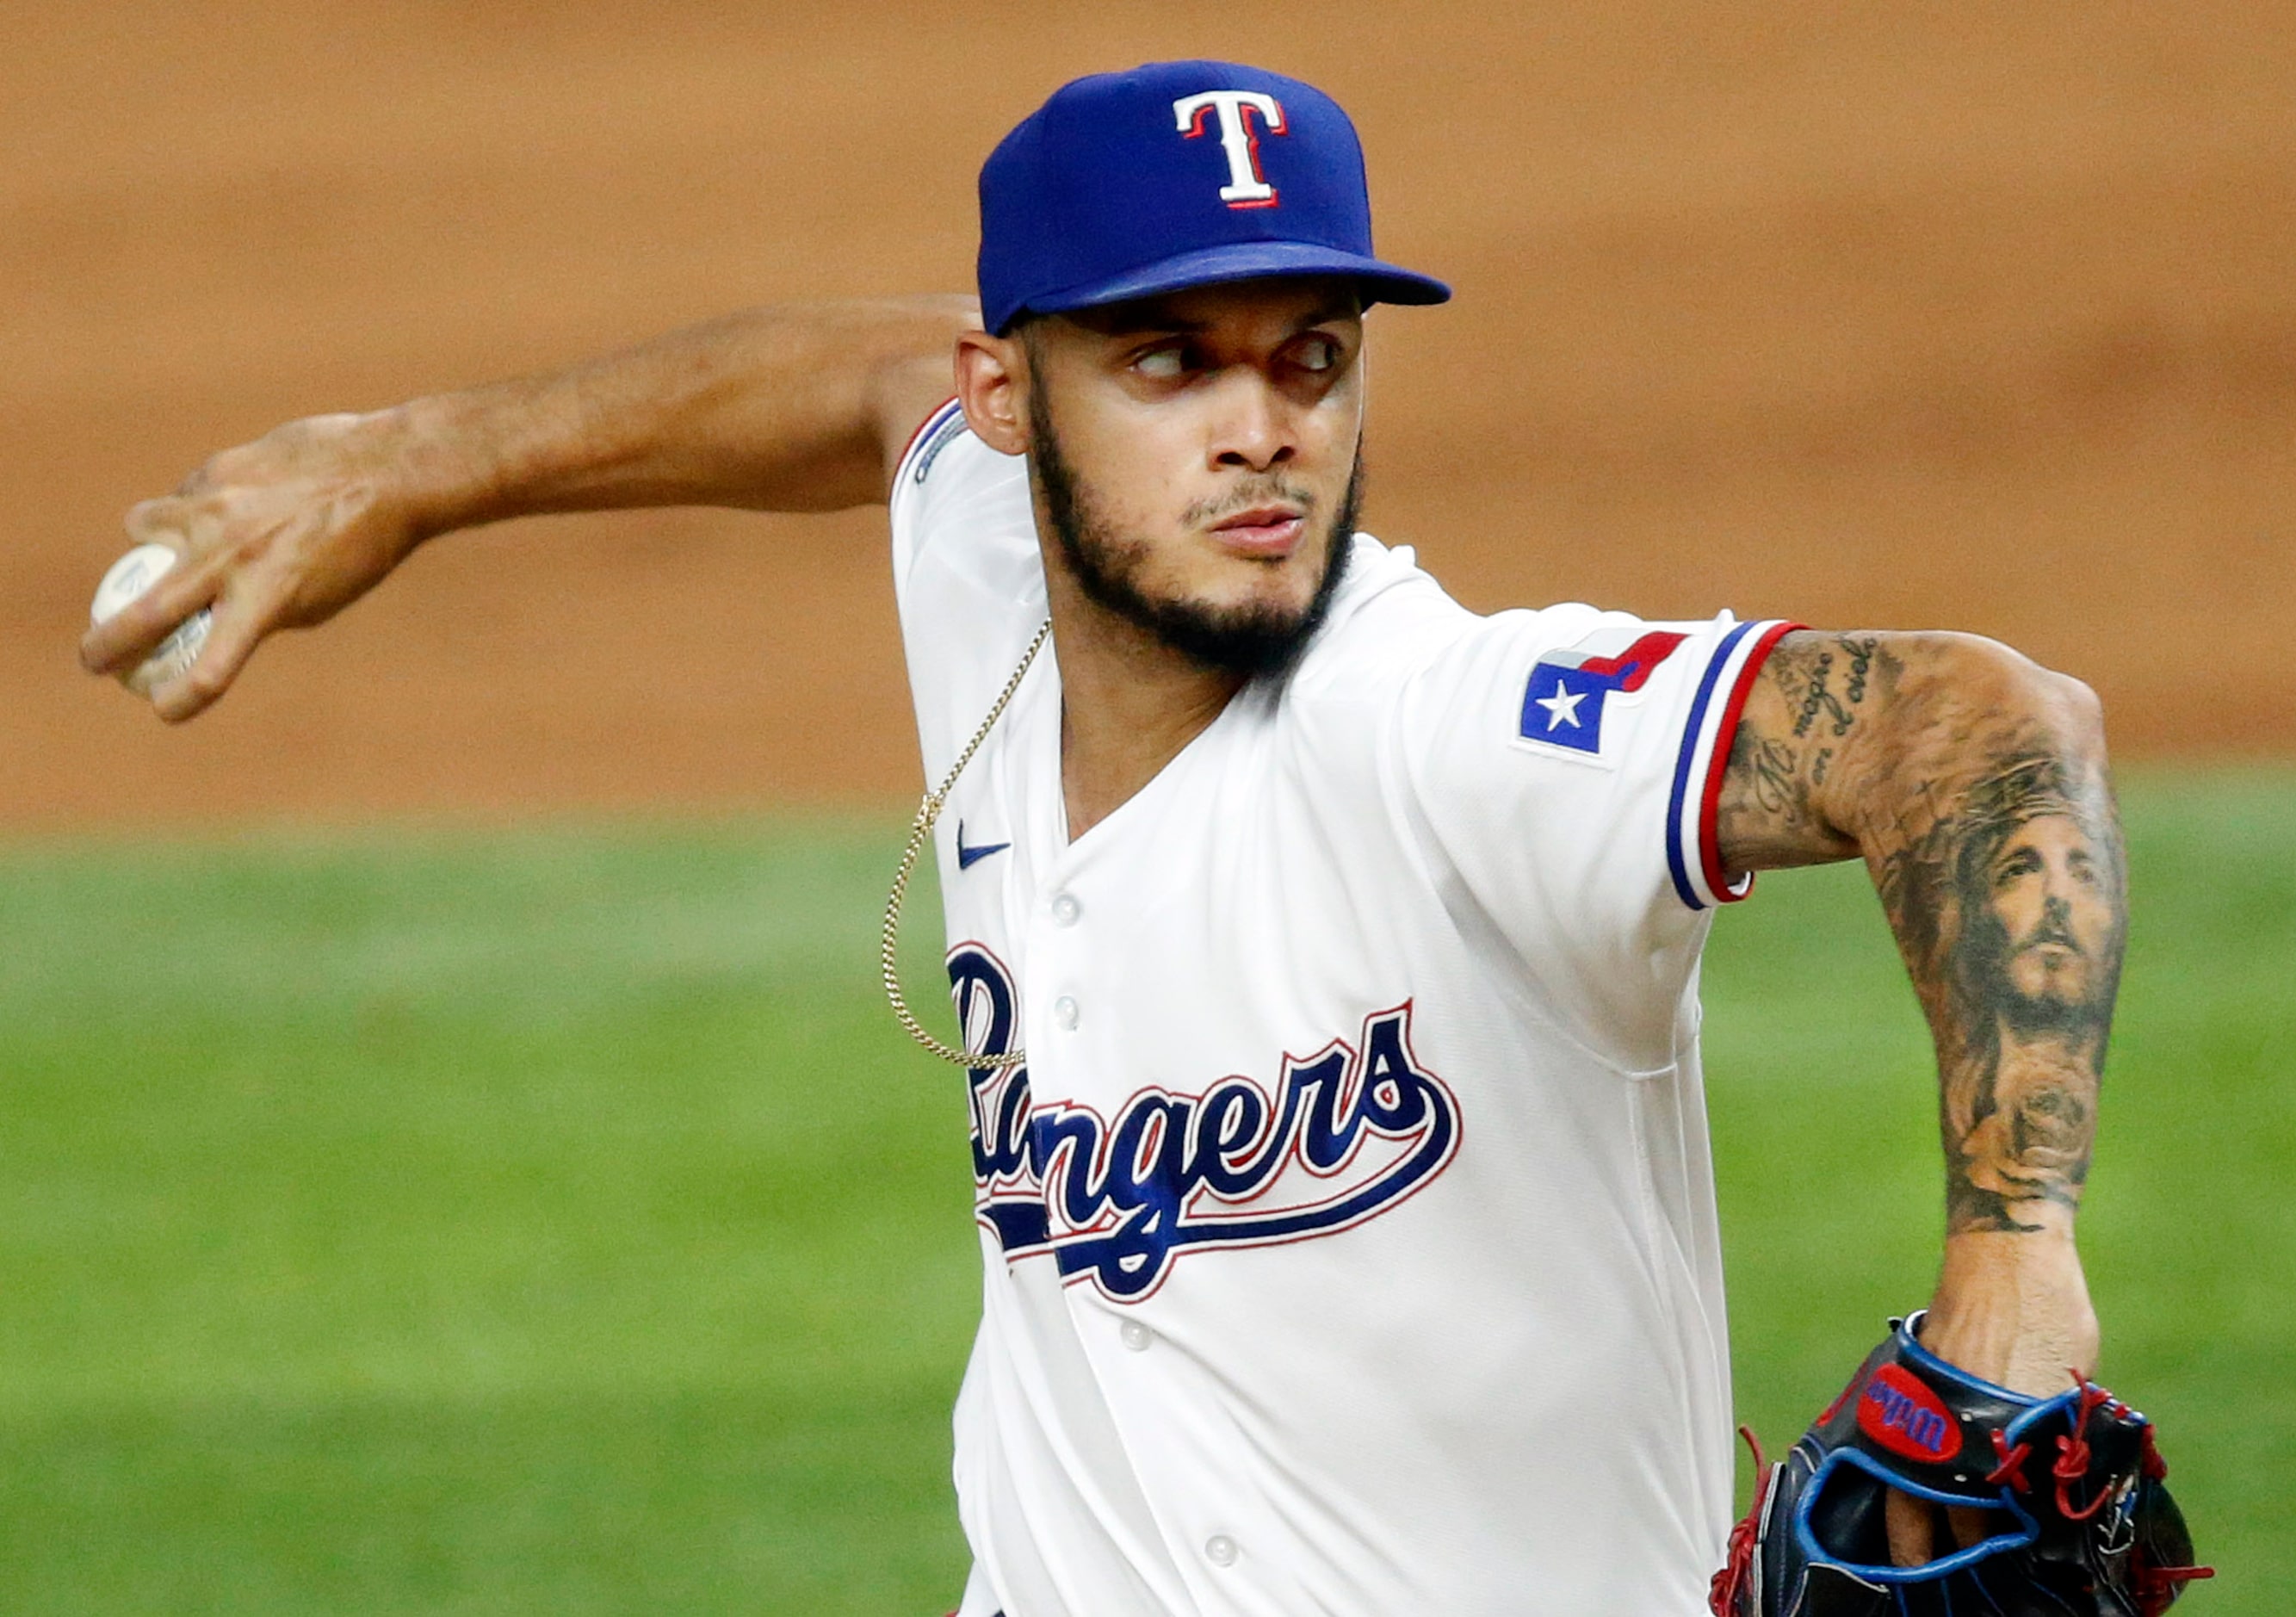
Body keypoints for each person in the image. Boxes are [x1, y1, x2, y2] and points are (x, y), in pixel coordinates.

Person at [81, 59, 2127, 1615]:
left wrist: (2011, 1266)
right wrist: (413, 466)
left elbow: (1983, 724)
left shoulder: (1455, 732)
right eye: (1167, 360)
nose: (1261, 426)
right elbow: (864, 376)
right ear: (1014, 397)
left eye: (1308, 359)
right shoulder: (992, 553)